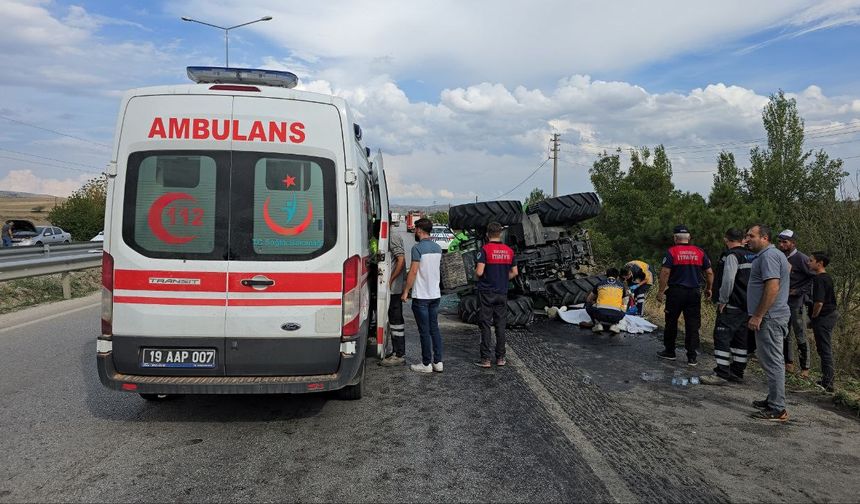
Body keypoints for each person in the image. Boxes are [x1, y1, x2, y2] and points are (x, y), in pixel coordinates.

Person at [745, 224, 791, 422]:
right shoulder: (771, 256)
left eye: (751, 236)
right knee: (770, 360)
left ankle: (777, 408)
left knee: (773, 362)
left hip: (770, 317)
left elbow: (772, 287)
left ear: (764, 238)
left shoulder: (769, 256)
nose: (747, 239)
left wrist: (758, 315)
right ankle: (773, 399)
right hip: (772, 316)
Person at [701, 228, 754, 385]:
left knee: (722, 336)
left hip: (732, 304)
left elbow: (729, 280)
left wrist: (723, 299)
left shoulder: (732, 255)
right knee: (740, 339)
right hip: (747, 305)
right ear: (743, 238)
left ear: (726, 239)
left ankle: (722, 373)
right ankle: (737, 371)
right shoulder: (751, 255)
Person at [656, 225, 714, 366]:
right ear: (689, 238)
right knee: (692, 325)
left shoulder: (672, 252)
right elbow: (710, 273)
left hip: (676, 292)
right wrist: (708, 288)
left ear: (675, 238)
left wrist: (661, 291)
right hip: (694, 293)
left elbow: (665, 272)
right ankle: (692, 356)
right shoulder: (699, 252)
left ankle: (670, 351)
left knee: (671, 322)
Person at [402, 218, 444, 374]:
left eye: (415, 228)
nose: (414, 231)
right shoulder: (438, 248)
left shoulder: (417, 248)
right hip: (435, 295)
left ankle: (426, 363)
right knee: (434, 329)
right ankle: (438, 362)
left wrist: (406, 291)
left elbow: (413, 271)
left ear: (420, 230)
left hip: (421, 296)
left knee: (424, 331)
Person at [473, 222, 518, 368]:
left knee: (485, 325)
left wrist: (475, 275)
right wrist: (503, 278)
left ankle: (485, 359)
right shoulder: (509, 251)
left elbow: (479, 272)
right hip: (502, 292)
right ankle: (501, 358)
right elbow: (515, 272)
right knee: (500, 325)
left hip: (486, 292)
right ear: (500, 233)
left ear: (487, 234)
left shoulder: (484, 250)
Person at [777, 229, 814, 377]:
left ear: (793, 243)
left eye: (785, 242)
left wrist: (799, 291)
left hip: (797, 303)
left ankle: (805, 368)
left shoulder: (802, 259)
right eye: (780, 241)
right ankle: (788, 363)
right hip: (782, 302)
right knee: (785, 332)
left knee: (800, 333)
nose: (781, 244)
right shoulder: (781, 257)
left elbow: (813, 277)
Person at [808, 251, 838, 393]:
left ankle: (828, 382)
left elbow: (819, 302)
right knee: (823, 348)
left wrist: (813, 317)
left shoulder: (820, 279)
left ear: (819, 263)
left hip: (824, 317)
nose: (809, 263)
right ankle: (827, 378)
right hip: (829, 315)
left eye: (811, 260)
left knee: (825, 349)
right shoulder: (827, 277)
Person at [379, 227, 407, 367]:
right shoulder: (388, 236)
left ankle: (399, 354)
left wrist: (390, 280)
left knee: (396, 321)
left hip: (394, 289)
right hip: (392, 288)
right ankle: (396, 351)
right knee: (392, 320)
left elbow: (401, 260)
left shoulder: (392, 236)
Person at [585, 268, 629, 334]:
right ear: (617, 277)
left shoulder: (599, 284)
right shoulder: (622, 286)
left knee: (588, 304)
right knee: (624, 305)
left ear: (606, 275)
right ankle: (614, 325)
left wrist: (595, 302)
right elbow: (625, 302)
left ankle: (597, 324)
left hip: (600, 314)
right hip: (617, 316)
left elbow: (588, 299)